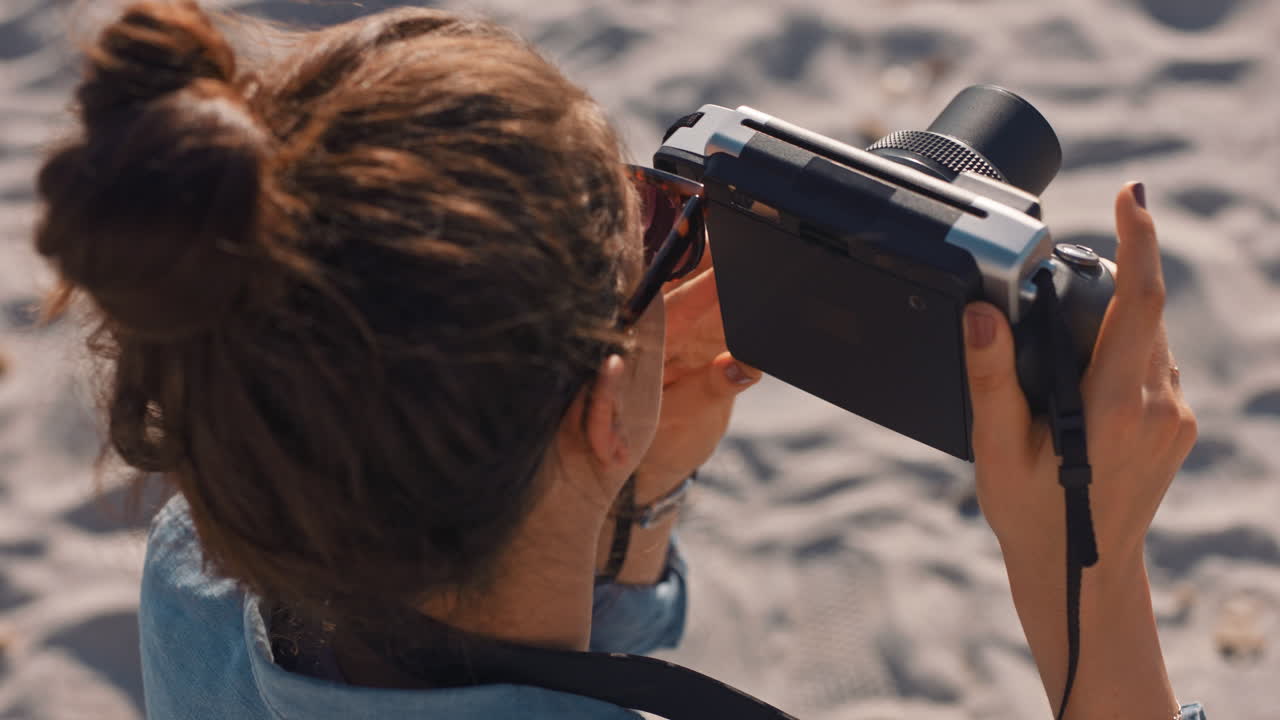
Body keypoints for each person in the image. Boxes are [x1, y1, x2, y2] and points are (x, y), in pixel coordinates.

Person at [33, 2, 1202, 718]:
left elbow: (496, 670)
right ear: (601, 403)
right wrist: (1088, 578)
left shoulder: (201, 566)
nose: (674, 241)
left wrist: (635, 498)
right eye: (648, 229)